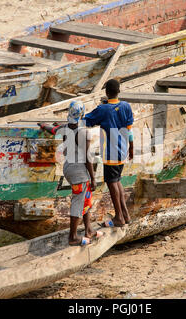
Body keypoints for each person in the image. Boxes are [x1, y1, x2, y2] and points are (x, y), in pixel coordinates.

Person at [39, 101, 102, 246]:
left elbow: (53, 130)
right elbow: (87, 157)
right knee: (78, 201)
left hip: (68, 168)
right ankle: (73, 237)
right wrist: (93, 178)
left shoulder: (65, 128)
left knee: (86, 198)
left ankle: (89, 230)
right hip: (79, 171)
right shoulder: (83, 132)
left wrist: (43, 125)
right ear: (81, 115)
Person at [84, 79, 134, 227]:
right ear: (119, 91)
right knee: (117, 180)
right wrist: (131, 148)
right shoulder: (126, 106)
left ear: (106, 93)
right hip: (123, 149)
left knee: (111, 182)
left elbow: (86, 120)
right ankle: (125, 214)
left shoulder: (103, 109)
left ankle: (119, 217)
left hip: (111, 152)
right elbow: (129, 130)